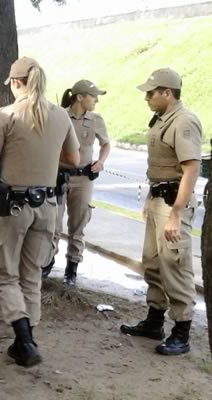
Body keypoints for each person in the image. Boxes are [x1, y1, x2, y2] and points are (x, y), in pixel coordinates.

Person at [0, 57, 80, 367]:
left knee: (7, 274)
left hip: (14, 206)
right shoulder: (62, 115)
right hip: (47, 206)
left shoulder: (7, 114)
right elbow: (74, 159)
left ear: (16, 82)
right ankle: (29, 339)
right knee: (32, 275)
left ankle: (23, 340)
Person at [120, 68, 201, 356]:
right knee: (153, 263)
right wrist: (151, 197)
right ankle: (154, 321)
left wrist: (177, 212)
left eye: (151, 92)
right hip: (159, 199)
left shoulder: (183, 121)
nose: (146, 98)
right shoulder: (162, 120)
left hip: (172, 204)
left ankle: (182, 332)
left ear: (167, 92)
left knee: (175, 267)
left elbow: (192, 168)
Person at [42, 80, 111, 286]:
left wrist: (101, 161)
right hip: (58, 176)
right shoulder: (59, 115)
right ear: (80, 97)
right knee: (52, 223)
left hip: (84, 179)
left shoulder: (96, 119)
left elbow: (105, 144)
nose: (97, 100)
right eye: (93, 96)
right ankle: (47, 262)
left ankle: (72, 269)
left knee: (78, 224)